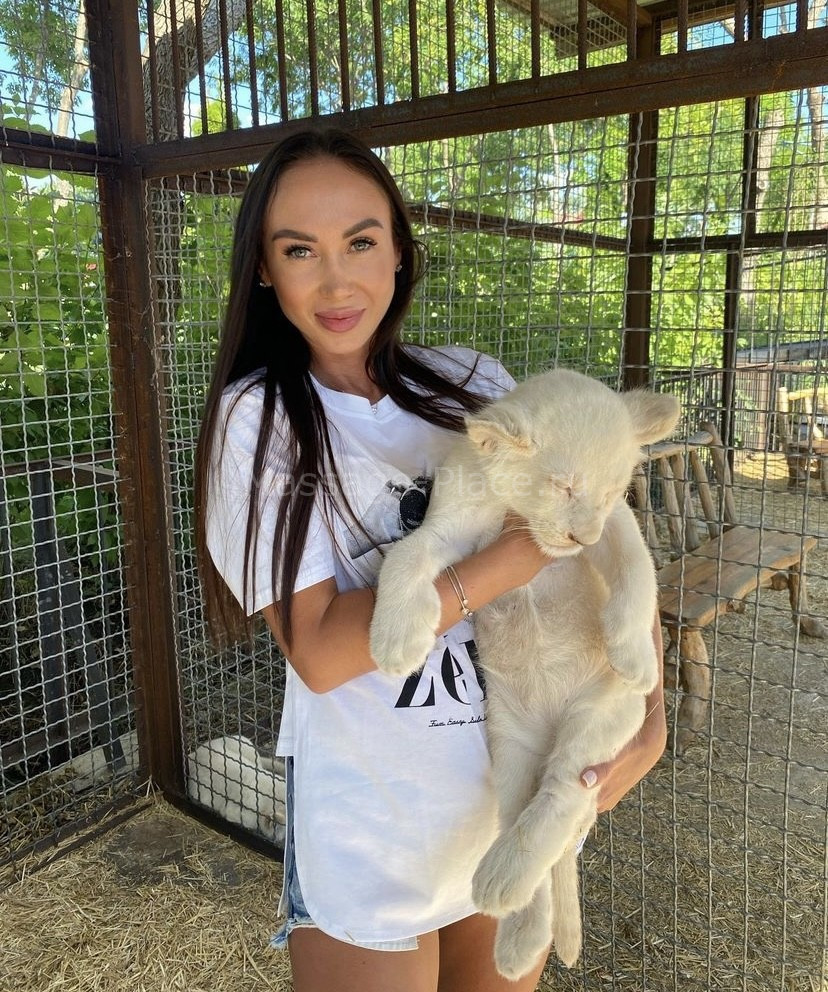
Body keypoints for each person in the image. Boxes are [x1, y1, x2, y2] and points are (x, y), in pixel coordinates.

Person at [194, 127, 666, 992]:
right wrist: (504, 564)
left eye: (361, 242)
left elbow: (603, 523)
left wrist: (650, 708)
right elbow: (322, 650)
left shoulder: (472, 382)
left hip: (507, 805)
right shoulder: (259, 418)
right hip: (376, 828)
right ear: (263, 267)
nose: (337, 281)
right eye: (299, 250)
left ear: (400, 252)